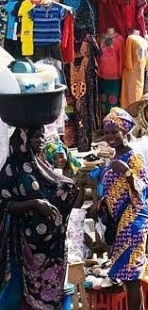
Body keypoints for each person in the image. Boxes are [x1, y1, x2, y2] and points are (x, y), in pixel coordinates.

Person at [0, 128, 78, 309]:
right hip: (23, 244)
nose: (41, 140)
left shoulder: (43, 166)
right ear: (23, 140)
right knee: (21, 295)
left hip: (49, 245)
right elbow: (3, 203)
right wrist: (33, 204)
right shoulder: (12, 169)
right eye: (36, 136)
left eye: (42, 135)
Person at [97, 108, 148, 310]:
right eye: (108, 132)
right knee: (128, 274)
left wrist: (128, 173)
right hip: (120, 219)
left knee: (132, 275)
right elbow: (113, 189)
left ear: (125, 131)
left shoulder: (132, 157)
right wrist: (102, 202)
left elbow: (144, 189)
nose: (111, 136)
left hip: (134, 218)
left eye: (115, 131)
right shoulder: (113, 158)